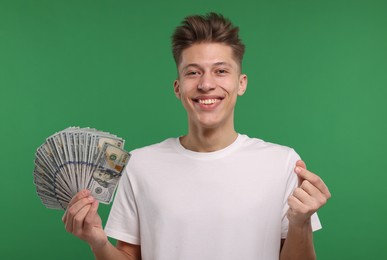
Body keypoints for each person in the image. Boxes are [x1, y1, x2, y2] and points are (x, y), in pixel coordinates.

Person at [62, 12, 331, 260]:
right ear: (178, 87)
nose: (205, 84)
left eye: (221, 71)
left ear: (241, 83)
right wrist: (98, 243)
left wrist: (300, 223)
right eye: (193, 72)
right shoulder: (140, 165)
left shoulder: (282, 163)